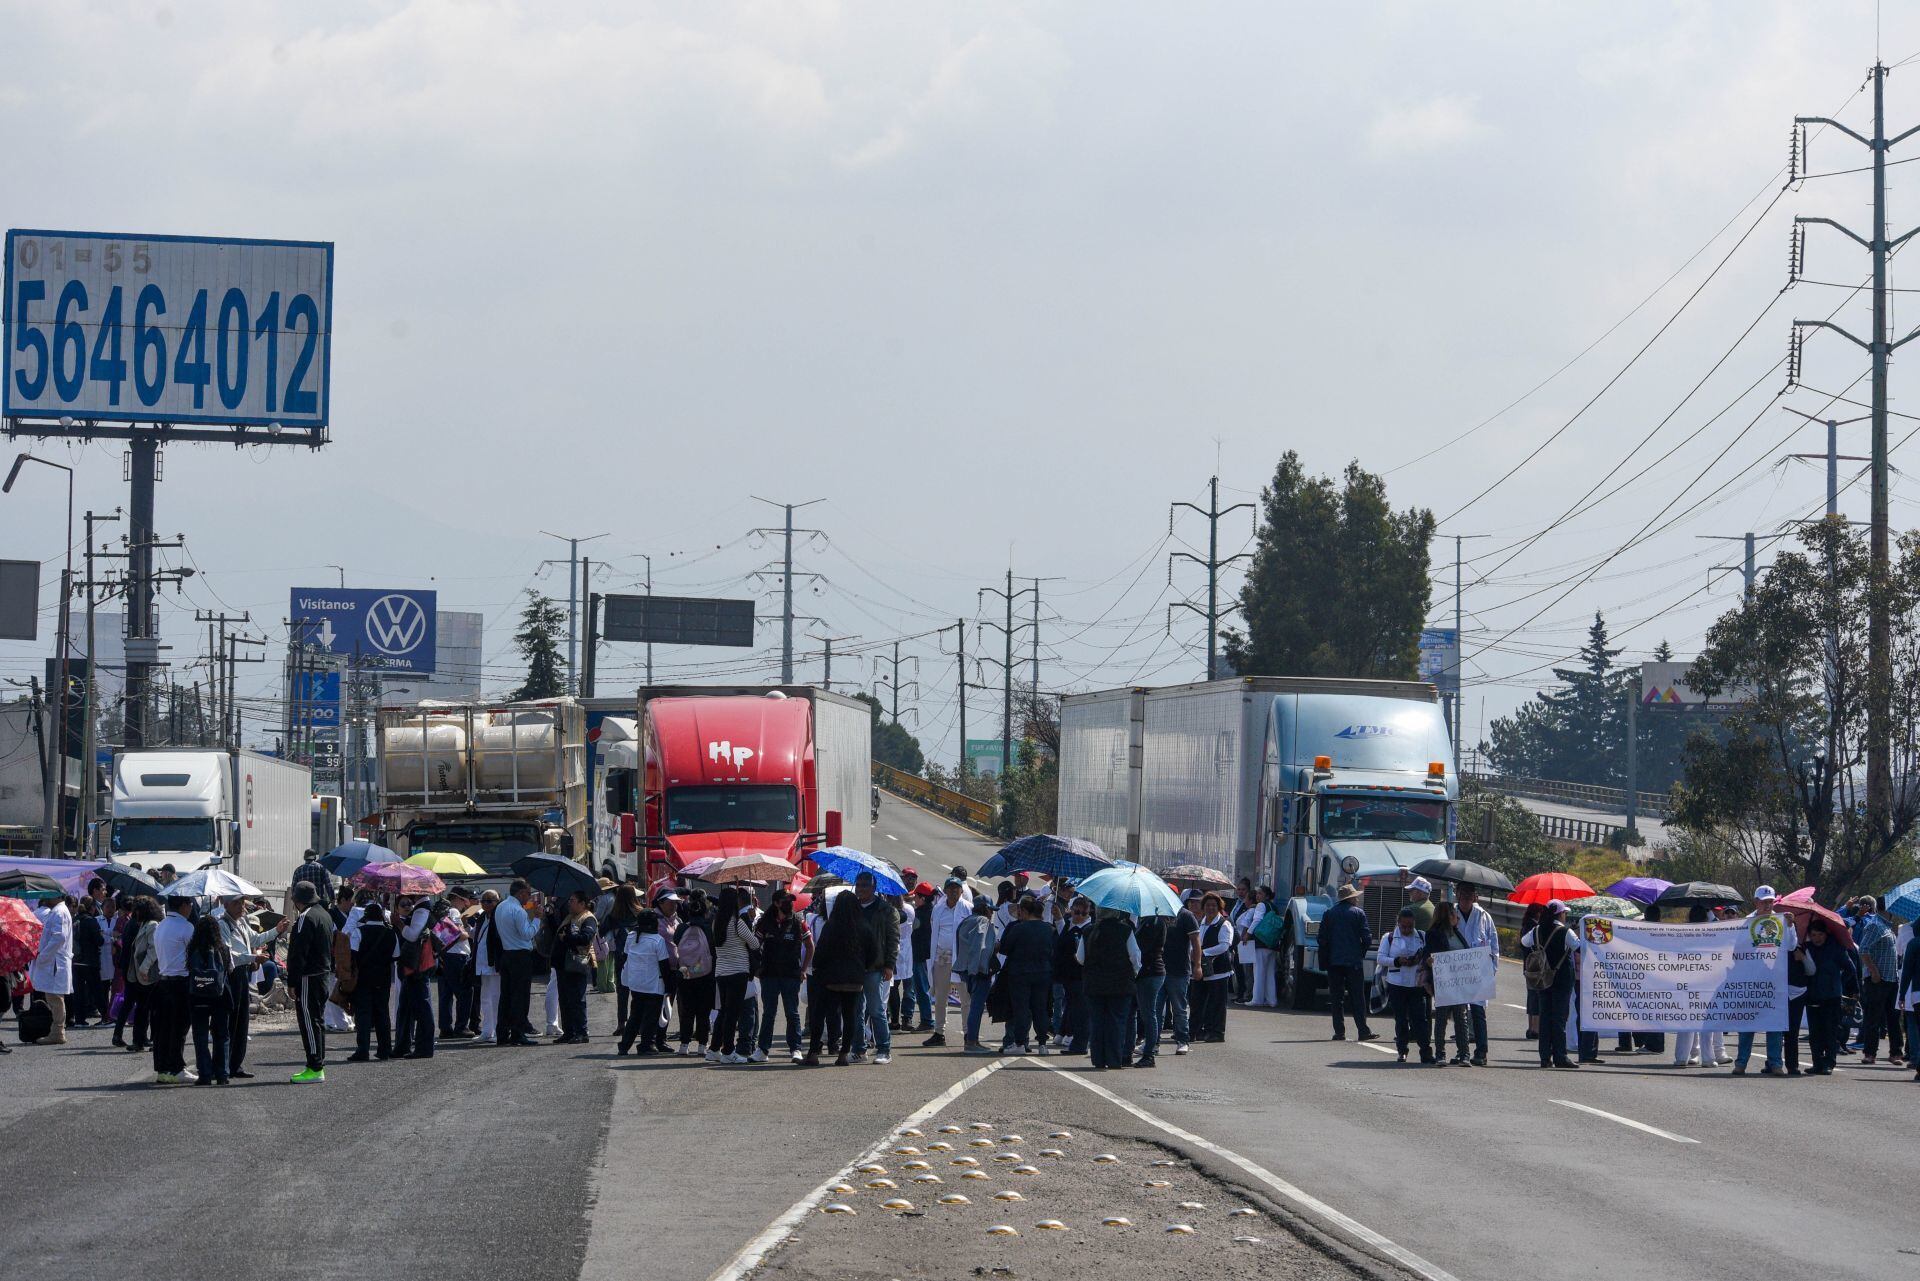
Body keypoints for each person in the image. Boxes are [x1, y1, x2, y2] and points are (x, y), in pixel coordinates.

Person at [801, 890, 878, 1066]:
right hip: (855, 980)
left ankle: (813, 1053)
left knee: (820, 1015)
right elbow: (873, 954)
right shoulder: (864, 927)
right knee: (850, 1016)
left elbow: (820, 953)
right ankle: (843, 1054)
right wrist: (862, 967)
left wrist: (819, 970)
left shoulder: (831, 926)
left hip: (831, 980)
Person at [216, 894, 284, 1079]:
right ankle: (225, 1065)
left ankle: (236, 1064)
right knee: (232, 1020)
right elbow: (230, 954)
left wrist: (276, 930)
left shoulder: (242, 922)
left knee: (242, 1020)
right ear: (227, 904)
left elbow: (255, 940)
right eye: (236, 903)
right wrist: (254, 958)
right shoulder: (223, 924)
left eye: (242, 903)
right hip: (232, 974)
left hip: (243, 973)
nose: (241, 906)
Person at [1733, 886, 1797, 1076]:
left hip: (1774, 981)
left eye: (1770, 901)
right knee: (1747, 1025)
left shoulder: (1782, 920)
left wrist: (1792, 926)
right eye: (1764, 901)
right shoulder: (1746, 922)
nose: (1768, 905)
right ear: (1756, 902)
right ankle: (1741, 1063)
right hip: (1751, 981)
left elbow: (1792, 946)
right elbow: (1736, 950)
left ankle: (1775, 1063)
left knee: (1774, 1024)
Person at [1079, 906, 1141, 1069]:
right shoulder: (1125, 930)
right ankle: (1114, 1059)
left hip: (1094, 983)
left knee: (1097, 1021)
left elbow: (1080, 958)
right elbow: (1135, 956)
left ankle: (1098, 1059)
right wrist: (1134, 972)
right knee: (1117, 1021)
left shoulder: (1089, 930)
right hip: (1120, 983)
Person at [849, 872, 900, 1065]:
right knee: (856, 1010)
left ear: (874, 887)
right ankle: (859, 1050)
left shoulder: (886, 910)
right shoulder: (852, 908)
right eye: (858, 884)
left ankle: (884, 1049)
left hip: (875, 966)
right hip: (855, 966)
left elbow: (893, 940)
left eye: (865, 885)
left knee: (876, 1009)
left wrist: (889, 965)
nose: (861, 888)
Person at [286, 882, 334, 1083]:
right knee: (317, 1020)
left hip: (309, 977)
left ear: (298, 901)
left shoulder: (306, 918)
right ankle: (317, 1063)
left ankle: (315, 1067)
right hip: (323, 974)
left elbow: (298, 953)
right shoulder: (324, 914)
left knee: (308, 1021)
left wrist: (292, 981)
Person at [1521, 900, 1578, 1070]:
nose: (1565, 915)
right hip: (1562, 979)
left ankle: (1545, 1057)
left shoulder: (1537, 930)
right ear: (1560, 914)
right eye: (1564, 913)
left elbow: (1524, 942)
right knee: (1559, 1018)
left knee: (1545, 1017)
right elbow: (1579, 947)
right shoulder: (1565, 931)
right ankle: (1560, 1056)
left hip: (1543, 979)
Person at [704, 886, 758, 1063]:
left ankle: (714, 1049)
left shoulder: (716, 922)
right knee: (732, 1014)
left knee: (724, 1012)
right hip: (738, 971)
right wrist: (751, 922)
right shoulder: (738, 923)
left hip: (722, 971)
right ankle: (728, 1051)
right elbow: (755, 944)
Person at [996, 897, 1055, 1055]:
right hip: (1043, 972)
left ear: (1025, 911)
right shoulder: (1048, 928)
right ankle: (1042, 1044)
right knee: (1040, 1008)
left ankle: (1020, 1043)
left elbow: (1005, 949)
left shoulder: (1019, 928)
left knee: (1021, 1009)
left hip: (1020, 973)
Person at [756, 890, 809, 1063]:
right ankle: (762, 1050)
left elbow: (811, 946)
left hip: (791, 975)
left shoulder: (799, 922)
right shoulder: (764, 922)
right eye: (786, 901)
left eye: (791, 901)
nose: (791, 903)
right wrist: (757, 968)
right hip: (769, 975)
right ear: (776, 903)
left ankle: (796, 1049)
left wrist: (803, 969)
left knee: (792, 1013)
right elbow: (754, 945)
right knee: (769, 1013)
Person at [1320, 884, 1376, 1042]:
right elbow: (1367, 938)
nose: (1357, 899)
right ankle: (1362, 1030)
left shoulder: (1329, 913)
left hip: (1334, 961)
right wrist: (1360, 953)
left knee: (1336, 998)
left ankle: (1339, 1032)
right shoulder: (1358, 913)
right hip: (1353, 961)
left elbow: (1322, 938)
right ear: (1350, 898)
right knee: (1358, 997)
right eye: (1355, 896)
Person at [151, 895, 198, 1084]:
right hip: (181, 982)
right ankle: (177, 1068)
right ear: (184, 905)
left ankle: (163, 1069)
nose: (192, 908)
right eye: (191, 904)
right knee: (179, 1028)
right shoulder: (187, 927)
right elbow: (194, 953)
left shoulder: (160, 925)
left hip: (162, 981)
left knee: (162, 1029)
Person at [1378, 907, 1432, 1064]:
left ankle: (1426, 1053)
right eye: (1404, 926)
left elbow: (1429, 955)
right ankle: (1402, 1050)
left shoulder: (1422, 936)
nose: (1407, 929)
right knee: (1401, 1020)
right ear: (1398, 924)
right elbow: (1381, 958)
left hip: (1416, 984)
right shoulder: (1388, 938)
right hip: (1397, 983)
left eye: (1410, 926)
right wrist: (1397, 961)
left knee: (1420, 1020)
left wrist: (1422, 960)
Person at [1802, 917, 1854, 1075]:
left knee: (1830, 1031)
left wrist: (1838, 982)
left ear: (1826, 934)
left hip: (1832, 996)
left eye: (1820, 934)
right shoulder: (1806, 948)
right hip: (1812, 995)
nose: (1817, 938)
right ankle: (1817, 1062)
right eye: (1814, 935)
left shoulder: (1836, 948)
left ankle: (1829, 1062)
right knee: (1815, 1033)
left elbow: (1850, 968)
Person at [1453, 883, 1497, 1065]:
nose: (1465, 898)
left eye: (1468, 894)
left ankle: (1481, 1052)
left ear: (1475, 897)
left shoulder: (1484, 916)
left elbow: (1493, 943)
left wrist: (1492, 969)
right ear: (1456, 895)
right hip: (1456, 970)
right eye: (1462, 894)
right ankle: (1462, 1051)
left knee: (1478, 1012)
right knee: (1459, 1013)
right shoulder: (1451, 913)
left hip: (1479, 970)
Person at [1856, 897, 1904, 1066]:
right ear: (1888, 907)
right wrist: (1873, 971)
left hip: (1891, 979)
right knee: (1873, 1018)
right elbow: (1863, 949)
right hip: (1877, 980)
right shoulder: (1875, 925)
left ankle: (1896, 1052)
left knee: (1893, 1018)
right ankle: (1870, 1053)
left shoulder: (1887, 926)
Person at [617, 908, 671, 1056]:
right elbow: (664, 966)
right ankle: (646, 1045)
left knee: (635, 1016)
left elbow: (625, 957)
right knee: (650, 1018)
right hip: (654, 985)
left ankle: (624, 1045)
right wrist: (670, 984)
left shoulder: (631, 936)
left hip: (635, 983)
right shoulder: (657, 940)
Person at [347, 902, 397, 1062]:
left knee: (363, 1014)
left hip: (363, 978)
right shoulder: (391, 933)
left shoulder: (358, 932)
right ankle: (385, 1049)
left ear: (366, 917)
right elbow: (396, 956)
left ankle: (363, 1051)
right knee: (382, 1013)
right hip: (383, 978)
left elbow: (352, 955)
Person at [1424, 900, 1472, 1066]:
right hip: (1443, 982)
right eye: (1454, 913)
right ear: (1447, 915)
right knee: (1442, 1018)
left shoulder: (1457, 933)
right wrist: (1429, 962)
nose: (1457, 917)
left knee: (1461, 1018)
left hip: (1459, 983)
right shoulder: (1433, 934)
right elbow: (1426, 956)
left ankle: (1465, 1054)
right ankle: (1440, 1055)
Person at [495, 879, 542, 1047]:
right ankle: (518, 1032)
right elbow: (526, 934)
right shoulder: (518, 910)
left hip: (507, 953)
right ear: (521, 893)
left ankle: (502, 1032)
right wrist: (537, 919)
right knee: (520, 996)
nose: (529, 898)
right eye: (528, 894)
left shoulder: (501, 907)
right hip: (520, 955)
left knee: (506, 996)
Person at [924, 877, 971, 1047]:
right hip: (941, 958)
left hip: (960, 960)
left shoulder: (967, 908)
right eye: (950, 888)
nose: (953, 891)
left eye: (956, 888)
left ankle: (968, 1033)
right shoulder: (938, 909)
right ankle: (939, 1033)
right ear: (945, 890)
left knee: (965, 998)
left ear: (961, 890)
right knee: (940, 997)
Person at [27, 893, 74, 1044]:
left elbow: (59, 937)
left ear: (57, 896)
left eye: (48, 895)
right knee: (54, 996)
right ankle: (57, 1030)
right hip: (53, 960)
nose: (45, 898)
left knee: (55, 997)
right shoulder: (58, 911)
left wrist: (43, 956)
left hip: (54, 961)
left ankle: (58, 1032)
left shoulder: (59, 912)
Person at [954, 897, 999, 1053]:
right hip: (979, 970)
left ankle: (972, 1040)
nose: (992, 913)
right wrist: (979, 969)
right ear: (984, 908)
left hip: (966, 969)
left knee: (974, 1006)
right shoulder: (983, 921)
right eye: (990, 909)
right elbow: (979, 945)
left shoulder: (966, 920)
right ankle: (972, 1042)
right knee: (977, 1007)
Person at [674, 891, 716, 1054]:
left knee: (687, 1010)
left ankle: (684, 1045)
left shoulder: (682, 927)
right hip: (705, 973)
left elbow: (676, 942)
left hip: (685, 973)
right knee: (703, 1011)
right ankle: (701, 1045)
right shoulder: (708, 928)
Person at [1159, 893, 1202, 1054]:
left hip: (1179, 970)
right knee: (1156, 1010)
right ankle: (1152, 1043)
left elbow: (1196, 943)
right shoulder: (1158, 914)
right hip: (1159, 969)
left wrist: (1197, 965)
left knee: (1179, 1008)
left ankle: (1182, 1040)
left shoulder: (1186, 915)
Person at [1192, 892, 1235, 1043]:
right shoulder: (1201, 923)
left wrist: (1204, 952)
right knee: (1200, 1001)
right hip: (1203, 968)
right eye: (1208, 905)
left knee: (1217, 1003)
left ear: (1219, 907)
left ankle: (1217, 1032)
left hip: (1219, 970)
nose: (1211, 908)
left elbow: (1224, 946)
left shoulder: (1224, 924)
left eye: (1214, 905)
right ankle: (1201, 1030)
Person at [437, 886, 476, 1040]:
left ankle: (445, 1028)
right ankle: (461, 1027)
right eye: (465, 900)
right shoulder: (453, 911)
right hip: (457, 956)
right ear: (459, 899)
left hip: (445, 955)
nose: (466, 904)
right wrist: (466, 932)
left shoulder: (444, 911)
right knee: (465, 992)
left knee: (446, 994)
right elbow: (458, 935)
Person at [1054, 896, 1091, 1055]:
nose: (1080, 916)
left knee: (1080, 1011)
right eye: (1077, 912)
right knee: (1072, 1008)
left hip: (1080, 976)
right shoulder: (1069, 924)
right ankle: (1069, 1036)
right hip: (1067, 976)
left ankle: (1079, 1043)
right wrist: (1058, 917)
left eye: (1084, 913)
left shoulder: (1087, 929)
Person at [1132, 907, 1169, 1068]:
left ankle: (1149, 1054)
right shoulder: (1146, 920)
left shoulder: (1154, 922)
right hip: (1148, 971)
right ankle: (1145, 1050)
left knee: (1149, 1013)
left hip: (1151, 971)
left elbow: (1143, 947)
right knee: (1146, 1012)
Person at [472, 890, 502, 1044]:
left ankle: (498, 1031)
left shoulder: (499, 917)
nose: (486, 904)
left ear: (497, 902)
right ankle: (487, 1030)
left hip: (494, 962)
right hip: (481, 962)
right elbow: (477, 937)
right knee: (485, 998)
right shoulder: (482, 917)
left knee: (496, 998)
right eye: (483, 901)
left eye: (490, 901)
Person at [70, 897, 104, 1027]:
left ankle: (79, 1019)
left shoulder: (74, 920)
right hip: (90, 962)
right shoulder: (91, 921)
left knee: (79, 992)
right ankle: (105, 1017)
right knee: (96, 990)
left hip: (76, 961)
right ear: (92, 908)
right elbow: (99, 941)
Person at [1245, 886, 1278, 1008]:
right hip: (1272, 943)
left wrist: (1248, 933)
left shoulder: (1261, 905)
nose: (1257, 896)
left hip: (1261, 941)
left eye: (1260, 893)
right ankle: (1271, 1000)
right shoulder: (1273, 907)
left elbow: (1257, 920)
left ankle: (1257, 999)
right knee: (1270, 973)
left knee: (1258, 972)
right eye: (1257, 893)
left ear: (1266, 896)